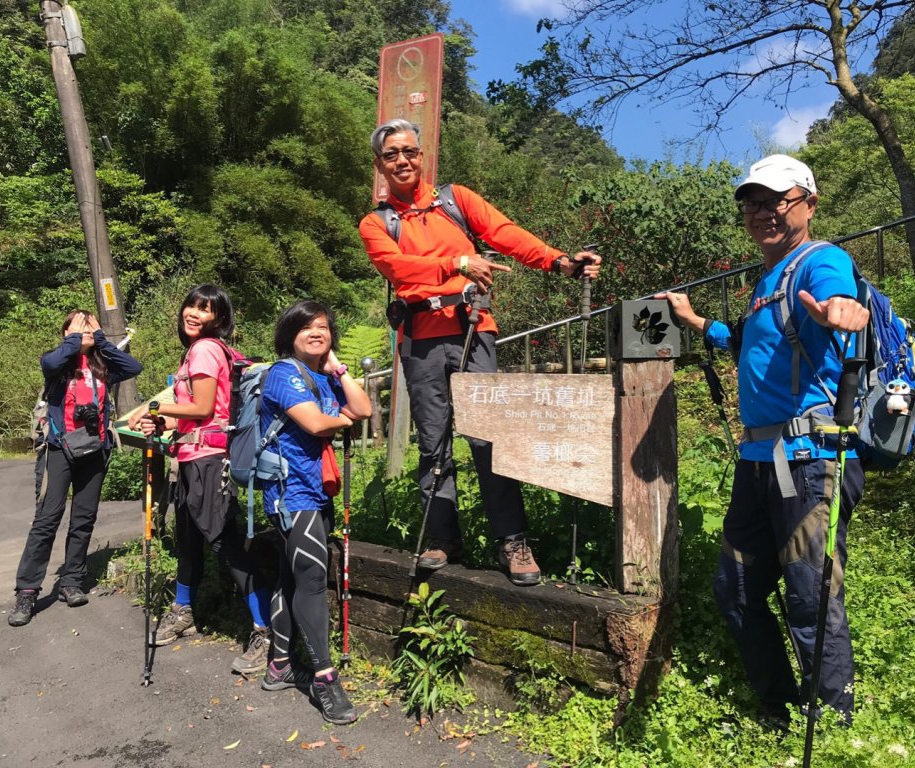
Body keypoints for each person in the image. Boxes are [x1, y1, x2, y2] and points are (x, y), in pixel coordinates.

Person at [657, 154, 870, 726]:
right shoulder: (766, 284)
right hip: (760, 462)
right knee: (737, 589)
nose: (761, 213)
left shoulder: (821, 262)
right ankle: (775, 705)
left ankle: (832, 722)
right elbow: (745, 339)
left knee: (810, 595)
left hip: (811, 462)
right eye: (752, 204)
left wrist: (839, 310)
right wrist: (693, 319)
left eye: (775, 200)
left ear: (808, 202)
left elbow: (837, 299)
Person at [358, 118, 602, 586]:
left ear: (421, 155)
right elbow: (397, 268)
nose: (403, 161)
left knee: (490, 440)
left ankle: (513, 541)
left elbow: (506, 233)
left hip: (473, 327)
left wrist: (561, 262)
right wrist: (457, 262)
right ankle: (441, 537)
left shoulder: (455, 200)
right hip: (420, 339)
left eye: (409, 151)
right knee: (432, 444)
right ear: (380, 164)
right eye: (392, 155)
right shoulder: (377, 222)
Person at [128, 284, 271, 675]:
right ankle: (183, 611)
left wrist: (154, 405)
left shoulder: (206, 349)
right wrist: (161, 419)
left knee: (224, 542)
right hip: (190, 455)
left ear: (219, 320)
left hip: (207, 459)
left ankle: (266, 629)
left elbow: (205, 406)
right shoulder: (196, 352)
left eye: (205, 309)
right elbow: (192, 414)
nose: (194, 313)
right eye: (191, 305)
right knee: (189, 538)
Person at [257, 300, 370, 725]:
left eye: (323, 327)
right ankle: (324, 677)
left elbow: (363, 409)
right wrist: (337, 417)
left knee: (290, 577)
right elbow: (318, 425)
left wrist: (338, 369)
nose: (317, 333)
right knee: (310, 581)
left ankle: (280, 666)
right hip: (290, 494)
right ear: (290, 334)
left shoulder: (322, 377)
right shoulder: (283, 374)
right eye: (307, 327)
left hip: (313, 491)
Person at [8, 310, 142, 627]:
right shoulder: (58, 363)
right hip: (60, 449)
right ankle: (27, 591)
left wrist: (99, 339)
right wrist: (73, 340)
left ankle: (71, 581)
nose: (83, 328)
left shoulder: (103, 364)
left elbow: (133, 367)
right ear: (65, 331)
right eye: (76, 324)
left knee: (84, 518)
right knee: (47, 518)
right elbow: (50, 363)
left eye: (88, 322)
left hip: (94, 450)